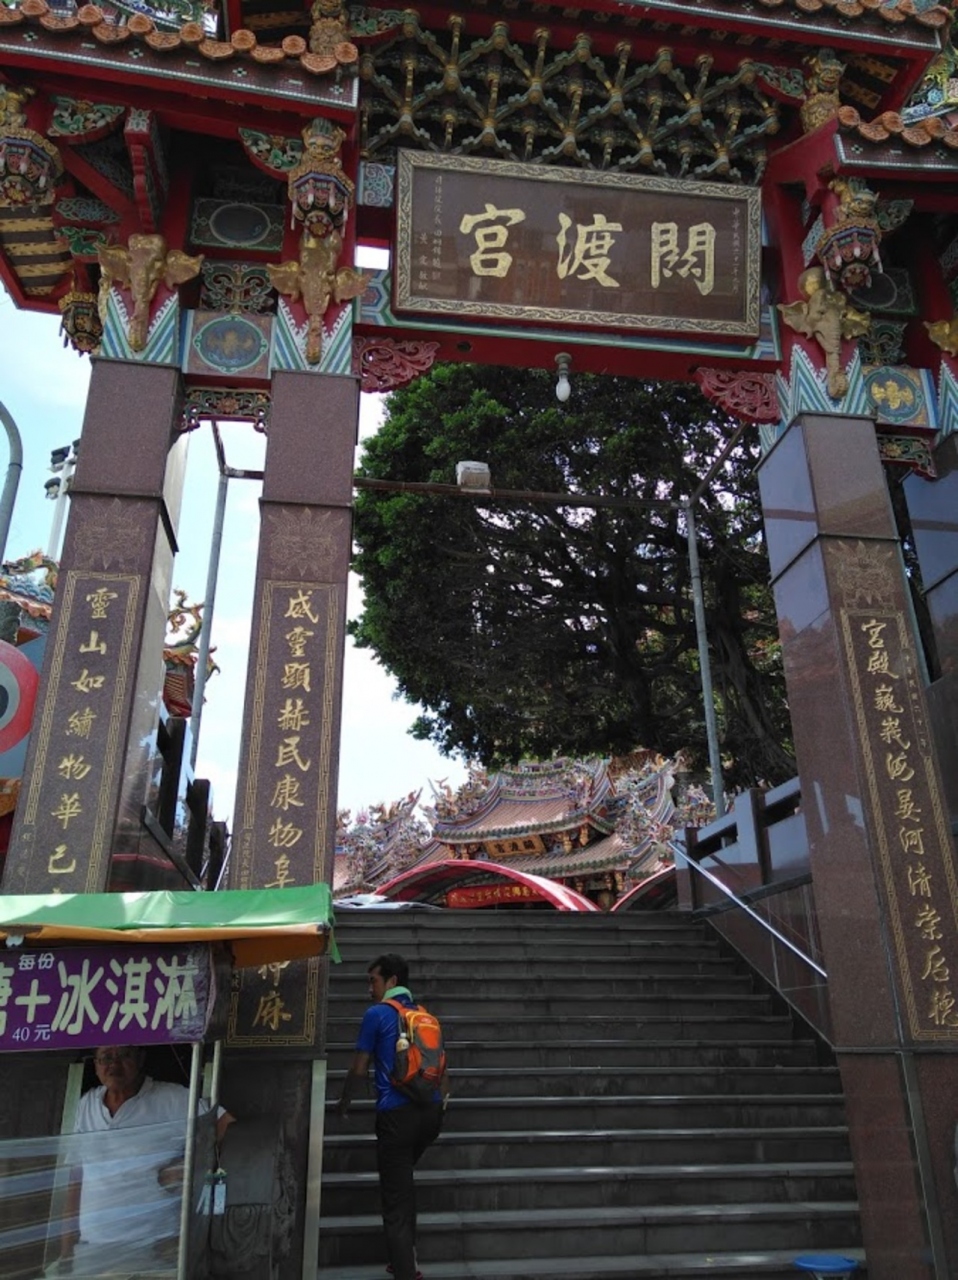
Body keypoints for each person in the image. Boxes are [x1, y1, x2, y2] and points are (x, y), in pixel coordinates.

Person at [59, 1045, 233, 1274]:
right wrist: (66, 1249)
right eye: (106, 1057)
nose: (114, 1064)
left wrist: (186, 1165)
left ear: (140, 1059)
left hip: (156, 1247)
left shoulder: (173, 1098)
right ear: (96, 1065)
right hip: (93, 1248)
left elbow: (227, 1127)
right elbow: (76, 1180)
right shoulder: (87, 1105)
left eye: (123, 1055)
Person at [336, 954, 447, 1280]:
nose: (369, 988)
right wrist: (442, 1106)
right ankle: (404, 1258)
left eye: (373, 980)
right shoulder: (425, 1016)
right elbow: (443, 1069)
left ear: (392, 981)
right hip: (430, 1115)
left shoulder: (377, 1014)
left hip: (396, 1116)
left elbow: (359, 1068)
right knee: (403, 1186)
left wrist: (344, 1102)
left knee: (396, 1200)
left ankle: (405, 1271)